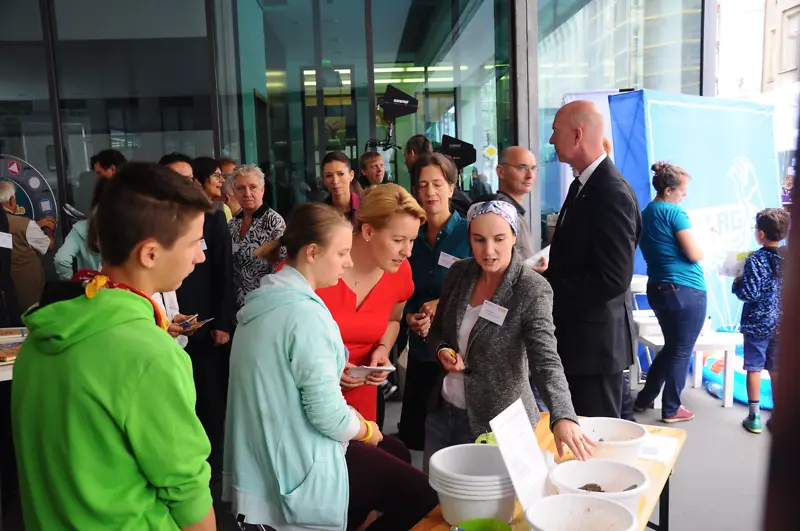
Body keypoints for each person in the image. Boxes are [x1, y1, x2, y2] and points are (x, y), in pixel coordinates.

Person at [11, 162, 215, 530]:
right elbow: (186, 490)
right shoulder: (150, 354)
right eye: (193, 243)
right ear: (150, 253)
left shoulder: (41, 337)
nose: (201, 255)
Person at [224, 203, 436, 531]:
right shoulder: (305, 315)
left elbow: (281, 368)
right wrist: (366, 429)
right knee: (424, 496)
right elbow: (326, 415)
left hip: (270, 448)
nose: (349, 262)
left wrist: (334, 369)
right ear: (312, 252)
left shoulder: (266, 298)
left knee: (396, 452)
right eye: (341, 254)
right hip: (299, 454)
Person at [424, 200, 592, 469]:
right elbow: (436, 333)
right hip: (444, 413)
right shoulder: (459, 273)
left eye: (499, 239)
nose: (488, 251)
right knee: (436, 500)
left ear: (514, 236)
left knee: (494, 508)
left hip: (500, 423)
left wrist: (563, 414)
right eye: (479, 240)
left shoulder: (531, 289)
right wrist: (442, 349)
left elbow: (545, 359)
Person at [545, 100, 642, 418]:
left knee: (598, 443)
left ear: (577, 134)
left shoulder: (610, 192)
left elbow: (612, 278)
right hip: (583, 343)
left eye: (555, 131)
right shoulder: (584, 186)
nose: (550, 140)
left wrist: (548, 288)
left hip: (595, 349)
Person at [317, 184, 425, 425]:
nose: (407, 251)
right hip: (309, 392)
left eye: (412, 240)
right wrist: (329, 363)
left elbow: (393, 320)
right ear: (367, 231)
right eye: (398, 240)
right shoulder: (316, 262)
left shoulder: (400, 271)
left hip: (362, 391)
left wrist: (383, 349)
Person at [162, 154, 235, 478]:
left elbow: (223, 272)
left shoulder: (212, 216)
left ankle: (216, 468)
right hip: (162, 328)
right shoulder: (154, 220)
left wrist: (222, 322)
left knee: (208, 398)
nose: (186, 183)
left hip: (201, 325)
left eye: (190, 177)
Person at [397, 153, 470, 450]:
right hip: (420, 349)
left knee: (452, 438)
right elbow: (403, 286)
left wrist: (442, 302)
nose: (430, 192)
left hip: (455, 349)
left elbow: (480, 284)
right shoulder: (410, 234)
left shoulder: (468, 233)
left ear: (451, 188)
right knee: (415, 436)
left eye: (437, 184)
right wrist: (409, 315)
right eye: (423, 185)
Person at [634, 162, 706, 423]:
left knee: (673, 346)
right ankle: (672, 408)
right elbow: (695, 253)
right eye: (682, 189)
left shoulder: (646, 213)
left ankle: (646, 397)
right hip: (685, 289)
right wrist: (705, 241)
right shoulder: (675, 213)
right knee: (681, 348)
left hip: (658, 288)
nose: (684, 194)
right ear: (668, 190)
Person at [734, 208, 789, 434]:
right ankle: (778, 416)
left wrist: (737, 282)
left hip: (757, 323)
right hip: (782, 324)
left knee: (754, 368)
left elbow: (750, 293)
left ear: (761, 234)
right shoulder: (790, 259)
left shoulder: (755, 259)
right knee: (776, 369)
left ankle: (754, 416)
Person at [230, 163, 286, 309]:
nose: (247, 193)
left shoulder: (274, 222)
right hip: (236, 309)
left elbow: (281, 270)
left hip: (264, 306)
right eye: (241, 188)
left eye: (252, 187)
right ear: (234, 192)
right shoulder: (233, 224)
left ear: (262, 190)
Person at [1, 181, 55, 315]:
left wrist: (35, 225)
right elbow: (50, 246)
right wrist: (48, 228)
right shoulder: (25, 225)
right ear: (12, 200)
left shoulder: (23, 225)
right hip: (28, 296)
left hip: (5, 298)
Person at [488, 147, 538, 263]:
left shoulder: (514, 210)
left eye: (533, 169)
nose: (530, 175)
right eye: (522, 168)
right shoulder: (500, 213)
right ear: (501, 171)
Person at [54, 179, 107, 279]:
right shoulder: (129, 226)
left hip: (90, 291)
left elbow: (61, 260)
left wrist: (74, 284)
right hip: (121, 291)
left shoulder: (80, 227)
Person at [322, 151, 361, 225]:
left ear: (351, 175)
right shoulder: (320, 213)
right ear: (324, 180)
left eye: (340, 174)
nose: (335, 181)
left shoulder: (366, 207)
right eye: (329, 175)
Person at [193, 157, 232, 222]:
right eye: (217, 175)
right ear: (198, 181)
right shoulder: (184, 210)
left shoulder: (223, 209)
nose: (222, 180)